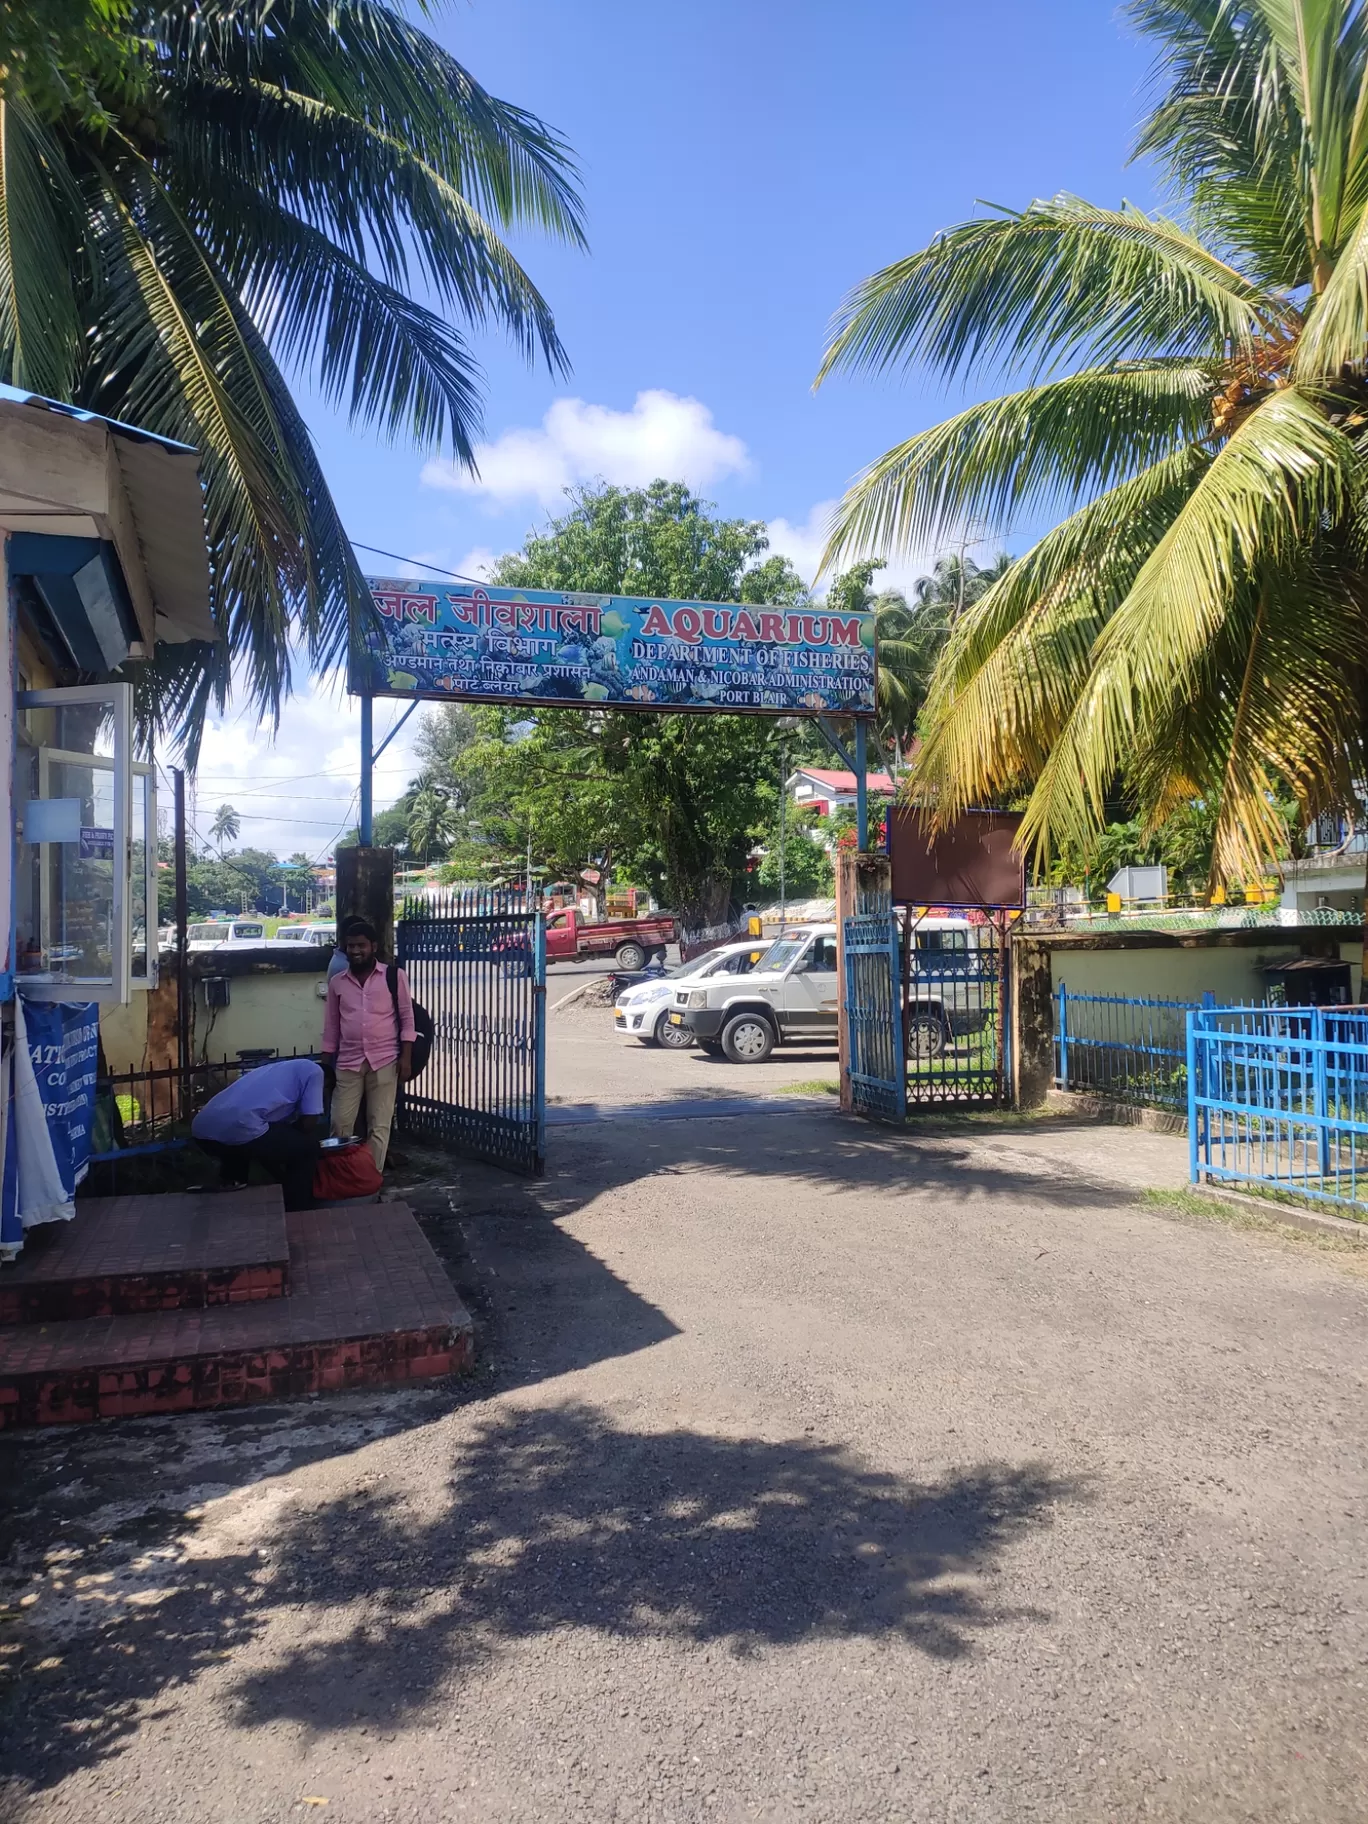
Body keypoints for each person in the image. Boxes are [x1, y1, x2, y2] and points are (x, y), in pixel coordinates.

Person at [321, 918, 414, 1171]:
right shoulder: (337, 982)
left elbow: (407, 1019)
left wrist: (406, 1058)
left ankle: (371, 1181)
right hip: (348, 1063)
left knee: (379, 1125)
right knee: (340, 1122)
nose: (355, 951)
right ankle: (340, 1178)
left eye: (360, 945)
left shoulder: (394, 977)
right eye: (350, 946)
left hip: (385, 1060)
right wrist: (325, 1065)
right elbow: (331, 1027)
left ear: (373, 946)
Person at [191, 1056, 324, 1210]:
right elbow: (308, 1124)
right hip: (240, 1129)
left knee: (256, 1141)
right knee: (307, 1149)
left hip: (202, 1131)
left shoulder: (275, 1070)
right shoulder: (315, 1072)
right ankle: (297, 1208)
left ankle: (230, 1184)